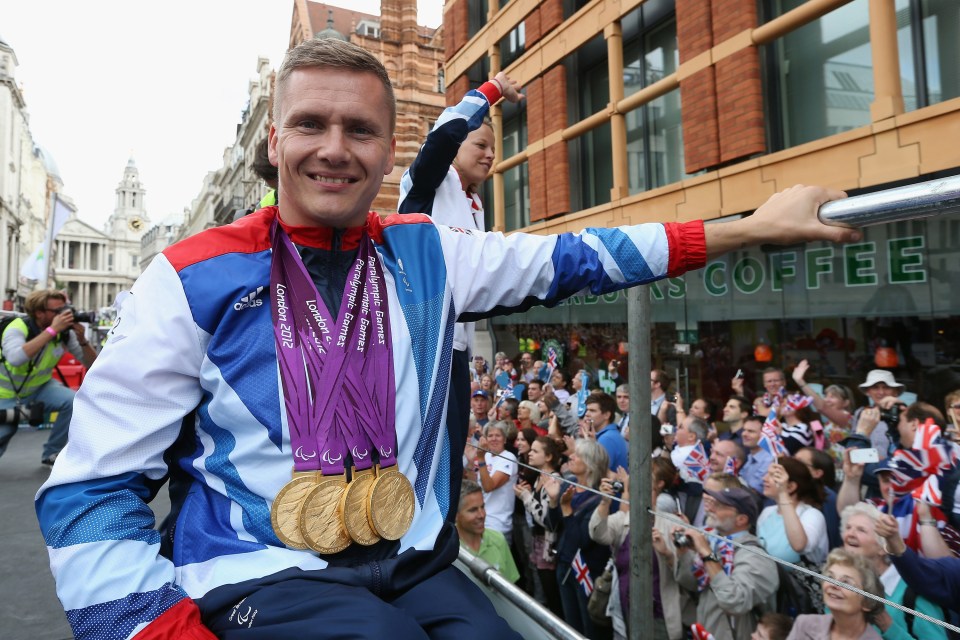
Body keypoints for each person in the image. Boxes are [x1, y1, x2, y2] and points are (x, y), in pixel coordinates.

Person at [34, 37, 862, 640]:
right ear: (274, 141)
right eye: (310, 125)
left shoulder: (426, 253)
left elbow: (582, 256)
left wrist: (748, 229)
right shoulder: (186, 278)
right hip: (257, 576)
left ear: (387, 149)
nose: (333, 148)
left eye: (358, 130)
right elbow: (88, 493)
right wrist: (156, 631)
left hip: (414, 567)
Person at [398, 71, 522, 476]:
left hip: (458, 347)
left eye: (494, 148)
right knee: (418, 460)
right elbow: (442, 135)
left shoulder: (475, 205)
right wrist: (493, 91)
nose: (490, 155)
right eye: (480, 145)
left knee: (449, 458)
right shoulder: (429, 183)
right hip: (422, 342)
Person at [0, 290, 97, 465]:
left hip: (40, 388)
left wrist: (82, 340)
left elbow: (93, 364)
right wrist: (52, 330)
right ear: (39, 313)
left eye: (65, 309)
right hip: (5, 394)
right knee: (5, 432)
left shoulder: (63, 333)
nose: (64, 315)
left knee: (73, 402)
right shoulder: (17, 328)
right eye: (58, 311)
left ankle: (52, 453)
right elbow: (15, 358)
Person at [672, 484, 780, 640]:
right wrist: (682, 554)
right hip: (707, 631)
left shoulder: (755, 556)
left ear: (741, 519)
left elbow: (734, 601)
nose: (710, 509)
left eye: (720, 506)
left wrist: (707, 554)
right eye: (712, 503)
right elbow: (693, 585)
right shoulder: (714, 541)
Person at [840, 503, 947, 640]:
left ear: (882, 548)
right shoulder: (840, 582)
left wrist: (889, 628)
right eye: (848, 528)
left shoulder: (912, 593)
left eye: (861, 530)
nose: (850, 534)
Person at [543, 438, 612, 639]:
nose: (570, 456)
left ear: (590, 465)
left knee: (588, 628)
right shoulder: (569, 484)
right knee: (570, 625)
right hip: (564, 565)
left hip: (586, 572)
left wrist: (566, 509)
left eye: (577, 455)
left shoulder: (600, 499)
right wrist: (555, 501)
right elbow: (552, 525)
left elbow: (582, 540)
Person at [786, 549, 886, 640]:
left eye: (846, 582)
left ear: (867, 602)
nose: (833, 585)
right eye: (830, 577)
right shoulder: (804, 625)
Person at [515, 435, 565, 616]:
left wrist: (526, 498)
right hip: (538, 542)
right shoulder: (538, 478)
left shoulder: (553, 480)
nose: (530, 454)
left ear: (549, 457)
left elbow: (546, 519)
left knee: (553, 595)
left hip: (548, 545)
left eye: (535, 451)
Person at [457, 480, 520, 583]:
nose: (482, 515)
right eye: (473, 510)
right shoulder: (448, 547)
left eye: (482, 507)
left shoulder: (498, 539)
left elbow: (511, 585)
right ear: (456, 514)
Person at [584, 392, 628, 472]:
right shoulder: (607, 435)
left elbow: (594, 472)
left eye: (592, 411)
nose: (587, 414)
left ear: (607, 415)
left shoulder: (607, 439)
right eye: (587, 410)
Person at [739, 414, 775, 494]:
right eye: (744, 430)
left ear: (765, 435)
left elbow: (753, 491)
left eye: (751, 431)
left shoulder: (770, 460)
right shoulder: (750, 456)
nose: (744, 434)